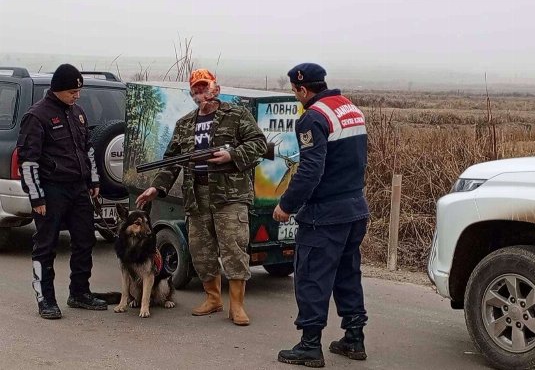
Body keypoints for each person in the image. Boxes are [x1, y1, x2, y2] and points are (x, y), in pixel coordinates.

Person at [135, 69, 267, 326]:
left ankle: (237, 306)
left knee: (233, 249)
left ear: (215, 88)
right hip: (196, 195)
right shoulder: (184, 124)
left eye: (204, 87)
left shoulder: (237, 115)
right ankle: (213, 298)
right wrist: (156, 188)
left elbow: (259, 144)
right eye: (195, 89)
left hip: (230, 195)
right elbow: (171, 162)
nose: (200, 93)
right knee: (201, 251)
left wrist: (232, 156)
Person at [274, 63, 370, 367]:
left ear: (303, 89)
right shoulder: (348, 107)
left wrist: (286, 204)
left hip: (325, 214)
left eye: (294, 92)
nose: (295, 97)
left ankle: (309, 346)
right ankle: (354, 338)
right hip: (355, 207)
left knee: (311, 276)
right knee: (346, 274)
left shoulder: (312, 118)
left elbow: (311, 170)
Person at [17, 64, 108, 319]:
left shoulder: (77, 113)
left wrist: (93, 181)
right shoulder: (37, 116)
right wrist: (36, 196)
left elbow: (87, 149)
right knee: (46, 245)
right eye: (72, 91)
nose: (77, 96)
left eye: (79, 91)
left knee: (85, 239)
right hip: (51, 189)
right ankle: (45, 298)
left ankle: (79, 292)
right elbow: (28, 160)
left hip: (78, 188)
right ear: (57, 90)